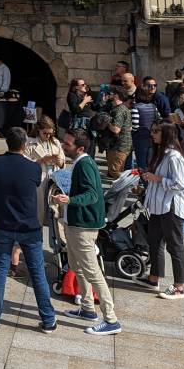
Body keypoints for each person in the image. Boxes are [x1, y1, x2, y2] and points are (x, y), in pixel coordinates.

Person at [0, 127, 57, 333]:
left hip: (2, 223)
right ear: (24, 145)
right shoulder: (32, 168)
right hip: (29, 226)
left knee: (0, 269)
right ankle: (48, 319)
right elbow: (34, 183)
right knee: (37, 271)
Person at [55, 130, 120, 335]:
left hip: (83, 227)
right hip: (75, 224)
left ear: (80, 148)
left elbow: (92, 194)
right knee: (77, 266)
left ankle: (111, 319)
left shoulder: (84, 164)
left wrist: (70, 200)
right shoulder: (83, 162)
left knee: (92, 270)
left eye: (68, 144)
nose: (64, 146)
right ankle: (87, 308)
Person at [140, 121, 184, 298]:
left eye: (156, 131)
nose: (152, 134)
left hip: (171, 207)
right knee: (154, 242)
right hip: (158, 206)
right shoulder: (162, 153)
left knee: (175, 246)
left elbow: (180, 184)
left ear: (167, 134)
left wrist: (156, 178)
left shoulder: (174, 157)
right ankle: (153, 278)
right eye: (152, 130)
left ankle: (179, 287)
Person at [102, 87, 132, 178]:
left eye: (111, 93)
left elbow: (116, 129)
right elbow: (130, 127)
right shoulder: (122, 108)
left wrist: (106, 122)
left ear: (116, 96)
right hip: (121, 145)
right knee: (116, 171)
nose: (109, 95)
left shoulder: (119, 110)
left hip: (119, 146)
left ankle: (134, 187)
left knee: (115, 171)